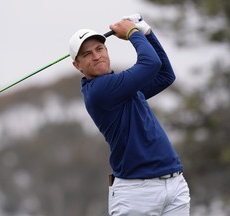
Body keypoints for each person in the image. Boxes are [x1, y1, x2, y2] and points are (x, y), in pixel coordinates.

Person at [69, 14, 190, 216]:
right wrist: (133, 33)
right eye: (87, 54)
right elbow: (150, 63)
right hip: (137, 193)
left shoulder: (122, 87)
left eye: (99, 49)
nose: (96, 55)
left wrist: (147, 32)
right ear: (77, 65)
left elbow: (165, 75)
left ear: (106, 50)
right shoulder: (100, 90)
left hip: (174, 184)